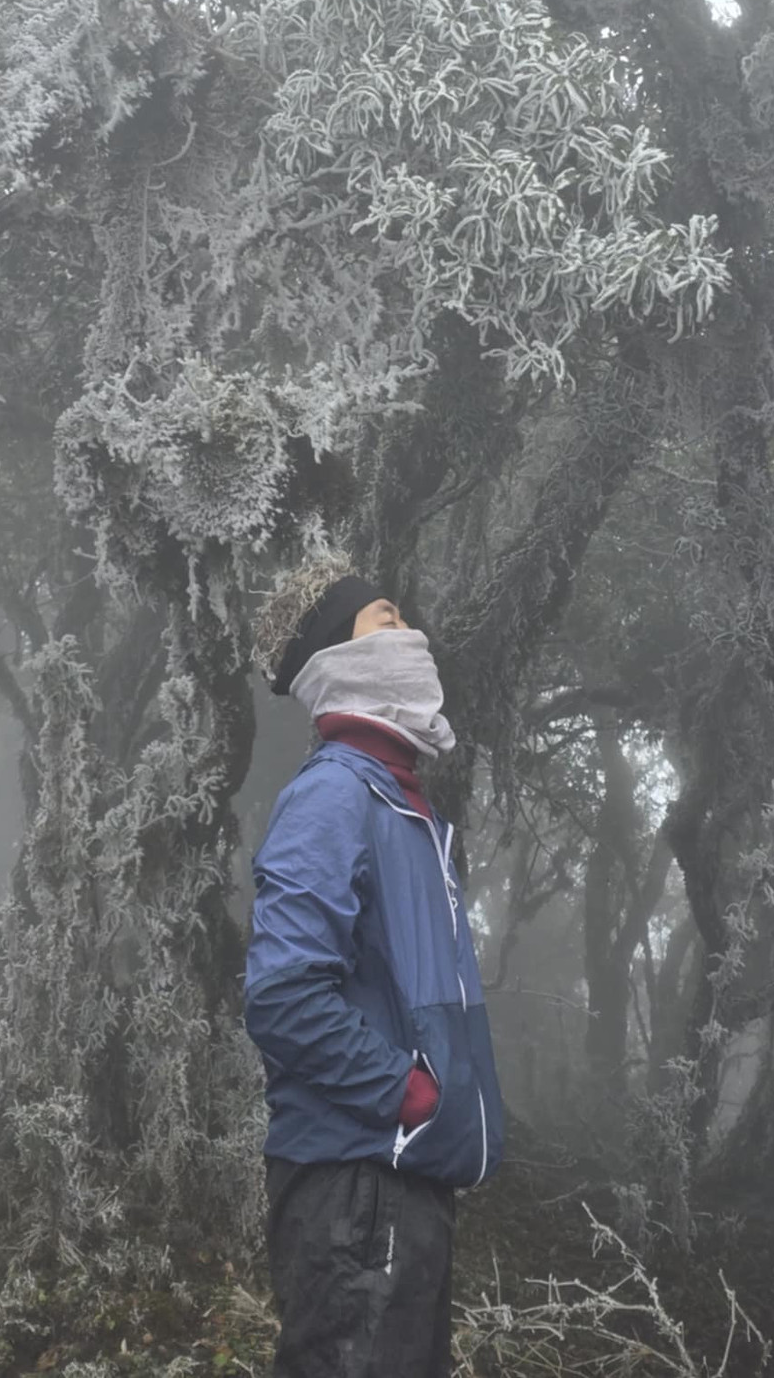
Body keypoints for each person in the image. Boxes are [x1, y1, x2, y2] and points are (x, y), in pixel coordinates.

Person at [245, 561, 505, 1378]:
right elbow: (284, 995)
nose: (408, 635)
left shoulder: (405, 808)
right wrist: (411, 1095)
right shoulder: (334, 797)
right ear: (337, 658)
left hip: (400, 1178)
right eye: (384, 620)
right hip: (357, 1187)